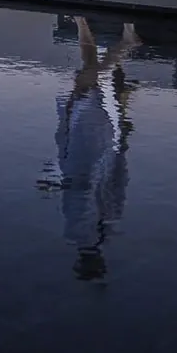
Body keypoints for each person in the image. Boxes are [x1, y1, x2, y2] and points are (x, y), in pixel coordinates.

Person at [37, 17, 136, 282]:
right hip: (91, 144)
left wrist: (55, 180)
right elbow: (86, 189)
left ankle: (86, 25)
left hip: (88, 148)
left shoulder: (100, 227)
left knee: (87, 74)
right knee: (87, 80)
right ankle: (124, 43)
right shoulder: (85, 230)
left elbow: (87, 189)